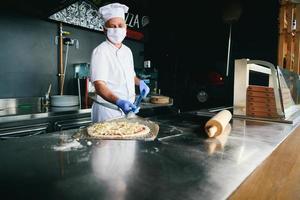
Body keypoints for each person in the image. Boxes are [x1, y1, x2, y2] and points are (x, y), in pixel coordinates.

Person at [90, 3, 149, 122]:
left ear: (126, 28)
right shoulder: (100, 51)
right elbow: (99, 86)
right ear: (104, 30)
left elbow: (131, 76)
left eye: (120, 25)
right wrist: (118, 101)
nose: (117, 29)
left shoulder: (127, 51)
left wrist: (140, 82)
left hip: (129, 111)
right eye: (113, 26)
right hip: (108, 112)